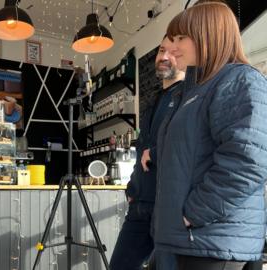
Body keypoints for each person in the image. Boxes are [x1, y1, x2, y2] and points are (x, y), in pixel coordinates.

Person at [154, 2, 267, 270]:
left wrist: (195, 213)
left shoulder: (239, 81)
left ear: (208, 35)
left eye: (181, 38)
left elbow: (248, 161)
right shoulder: (192, 91)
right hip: (195, 239)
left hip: (214, 240)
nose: (173, 47)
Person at [109, 36, 185, 270]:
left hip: (169, 209)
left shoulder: (189, 97)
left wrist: (155, 153)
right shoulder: (153, 101)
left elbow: (186, 148)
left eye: (173, 52)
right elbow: (141, 150)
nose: (164, 57)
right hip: (140, 206)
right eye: (162, 50)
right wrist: (132, 187)